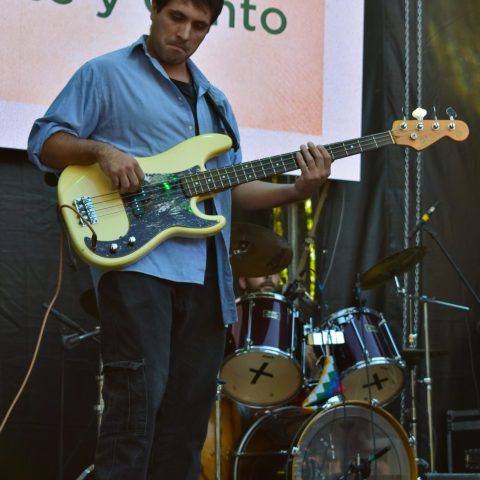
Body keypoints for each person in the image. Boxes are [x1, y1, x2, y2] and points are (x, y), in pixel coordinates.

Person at [27, 1, 331, 478]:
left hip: (207, 278)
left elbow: (230, 188)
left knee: (187, 429)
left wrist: (298, 190)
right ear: (153, 9)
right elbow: (45, 142)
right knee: (134, 413)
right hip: (137, 267)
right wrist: (103, 151)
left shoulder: (216, 102)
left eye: (199, 26)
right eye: (176, 17)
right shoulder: (105, 73)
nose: (185, 33)